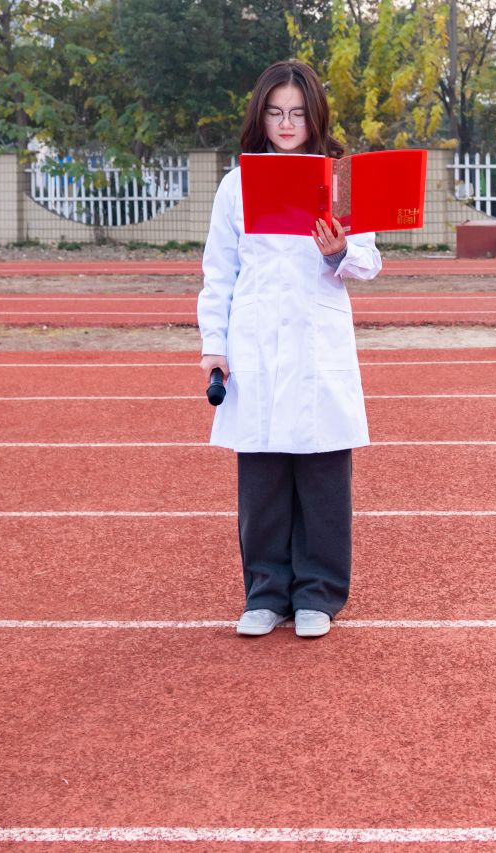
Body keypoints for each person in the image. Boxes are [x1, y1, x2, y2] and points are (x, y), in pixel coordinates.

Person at [198, 59, 381, 640]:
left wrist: (338, 252)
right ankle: (265, 592)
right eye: (276, 112)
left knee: (323, 472)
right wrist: (213, 345)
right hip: (254, 343)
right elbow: (219, 272)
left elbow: (369, 262)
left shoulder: (339, 180)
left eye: (298, 113)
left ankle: (318, 594)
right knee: (263, 475)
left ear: (314, 118)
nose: (286, 124)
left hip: (316, 342)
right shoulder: (235, 186)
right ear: (261, 116)